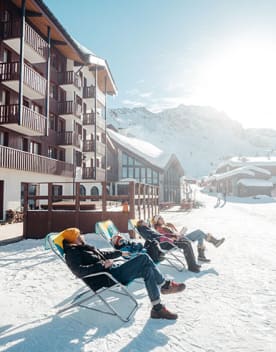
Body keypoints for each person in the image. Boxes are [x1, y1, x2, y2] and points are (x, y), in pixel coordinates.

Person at [59, 228, 185, 320]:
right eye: (78, 235)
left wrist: (120, 253)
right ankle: (165, 285)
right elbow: (79, 271)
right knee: (143, 258)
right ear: (72, 240)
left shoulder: (83, 247)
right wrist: (102, 265)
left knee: (147, 269)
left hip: (113, 270)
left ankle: (157, 309)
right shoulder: (71, 253)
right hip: (108, 277)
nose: (82, 236)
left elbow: (104, 254)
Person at [152, 215, 225, 263]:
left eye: (161, 217)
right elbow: (166, 237)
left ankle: (201, 256)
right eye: (160, 219)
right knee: (199, 232)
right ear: (157, 221)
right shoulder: (160, 228)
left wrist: (178, 231)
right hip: (178, 240)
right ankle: (214, 242)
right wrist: (176, 236)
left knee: (200, 236)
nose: (162, 219)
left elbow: (175, 232)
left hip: (180, 237)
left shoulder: (167, 224)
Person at [136, 220, 201, 273]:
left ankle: (193, 264)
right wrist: (168, 238)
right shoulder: (143, 229)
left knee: (187, 242)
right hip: (163, 244)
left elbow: (159, 235)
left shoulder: (147, 229)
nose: (146, 223)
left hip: (166, 241)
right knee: (186, 245)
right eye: (144, 222)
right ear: (141, 224)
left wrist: (173, 235)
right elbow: (153, 238)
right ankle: (192, 267)